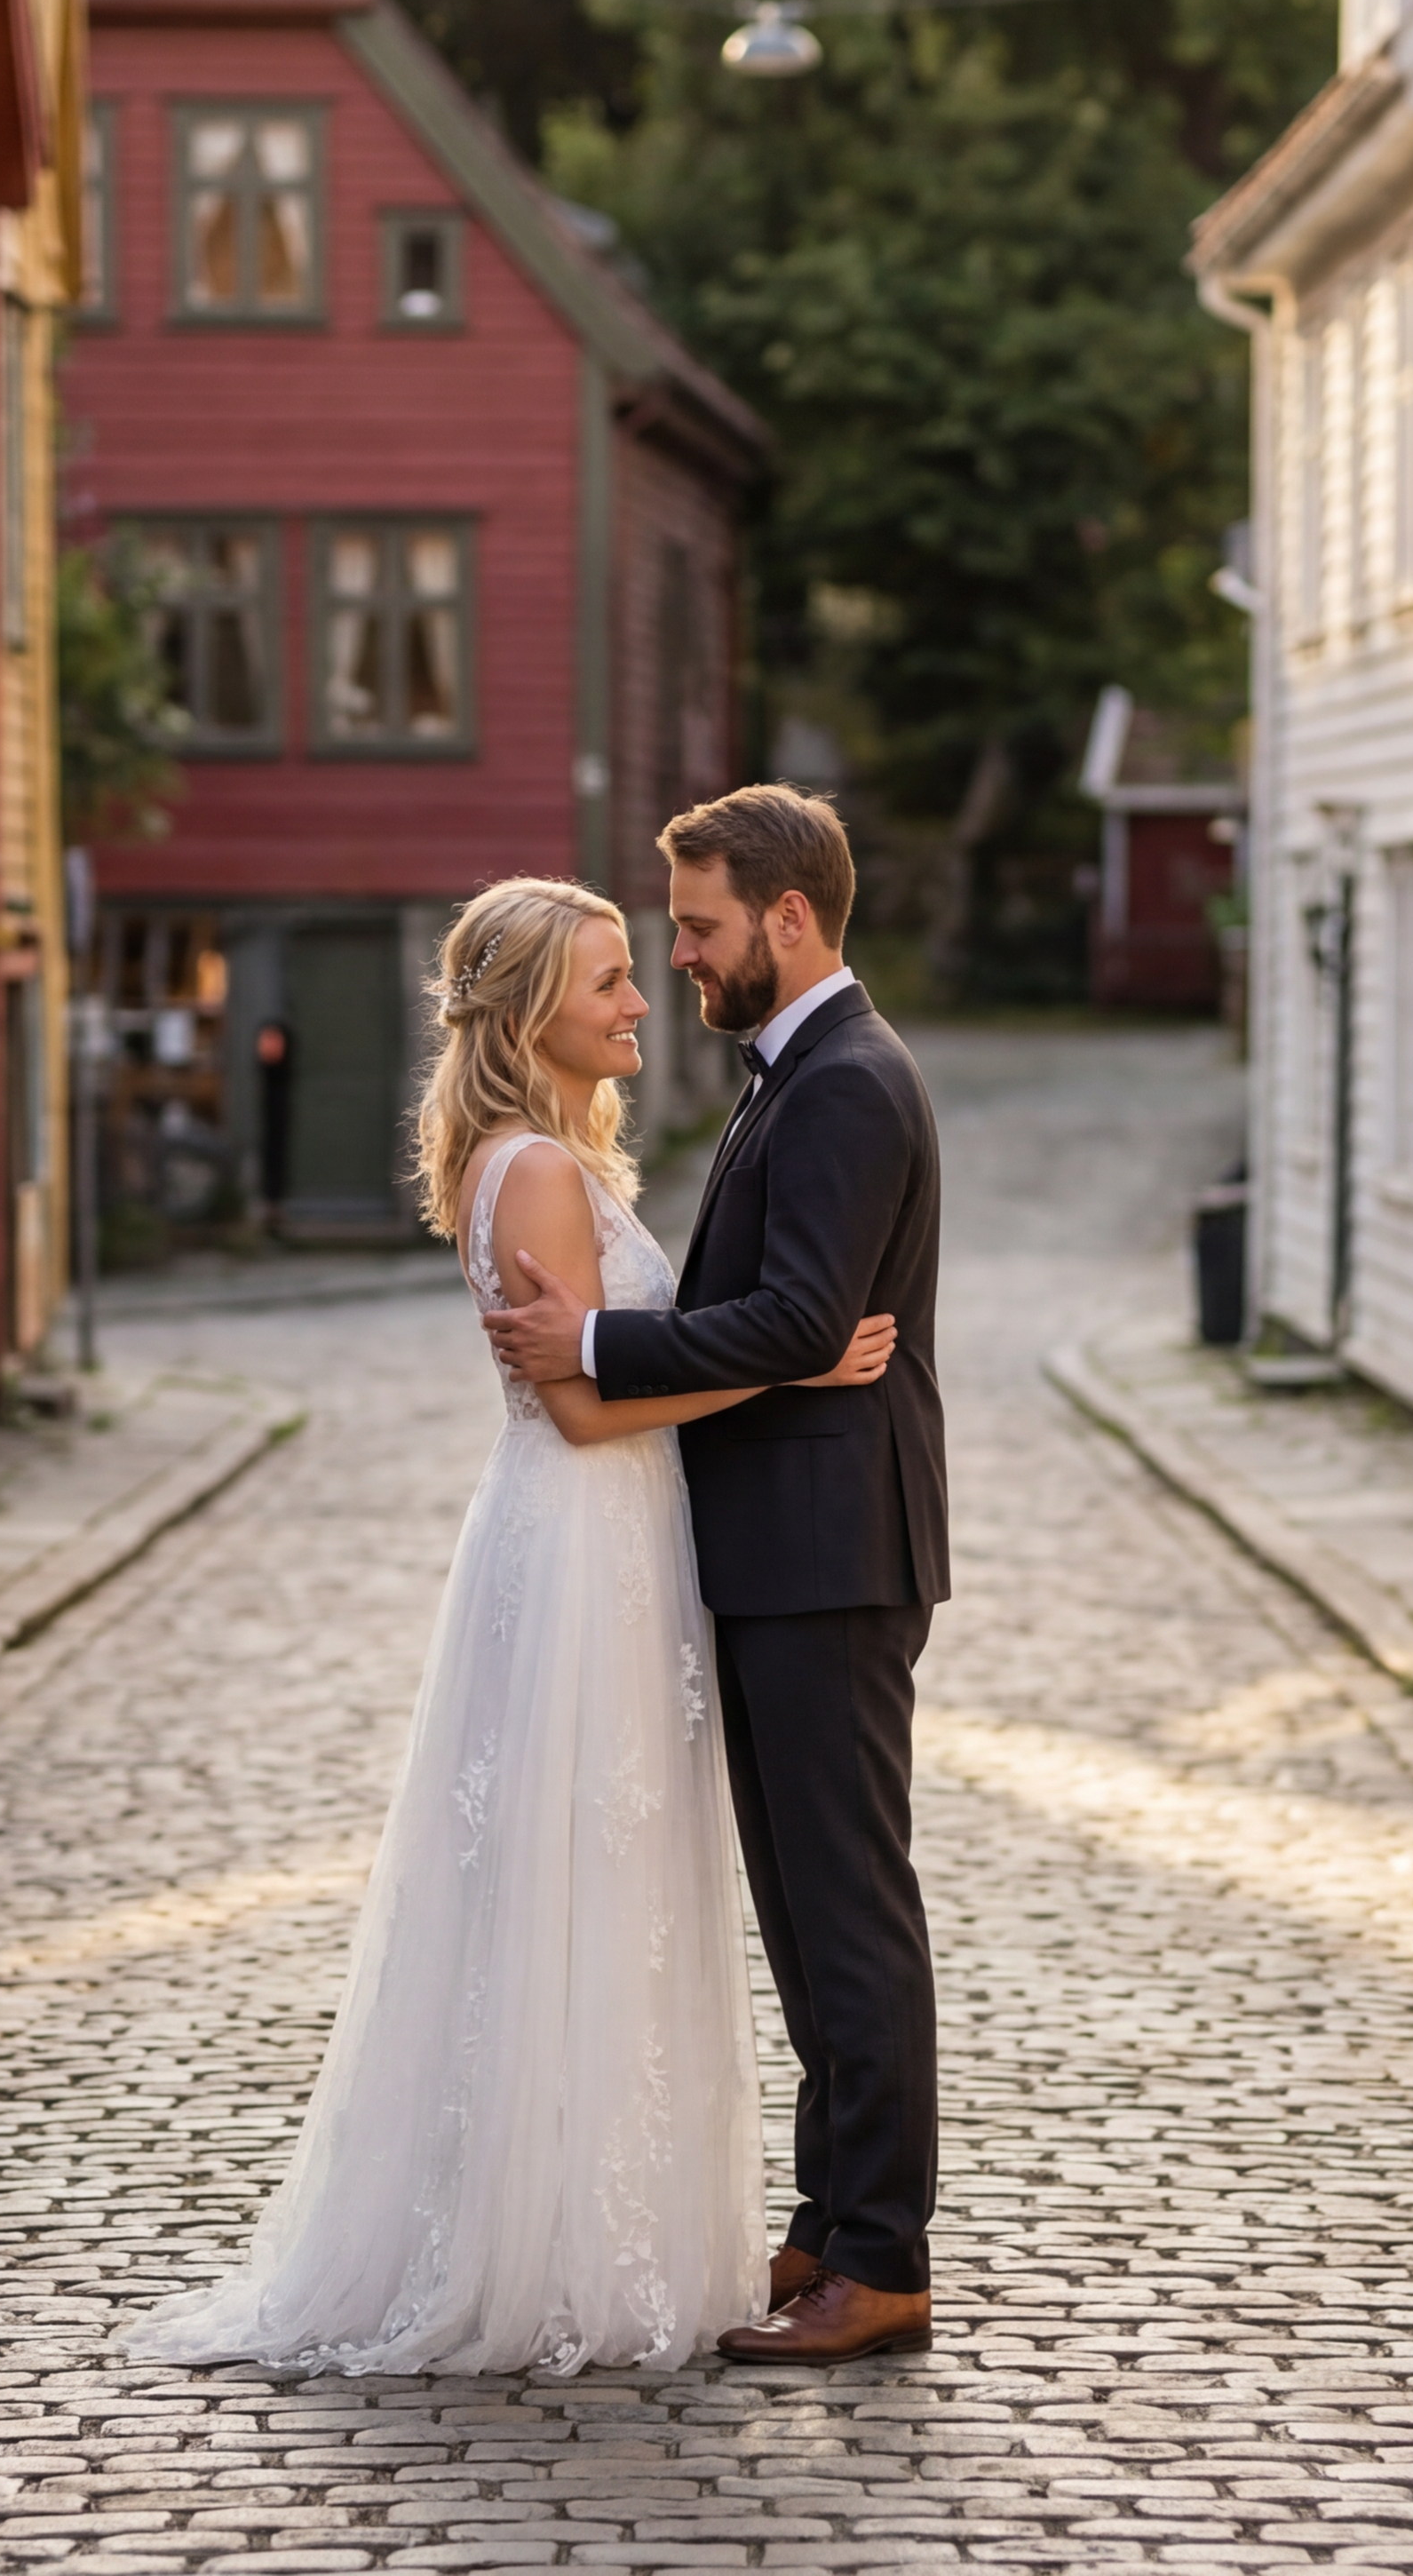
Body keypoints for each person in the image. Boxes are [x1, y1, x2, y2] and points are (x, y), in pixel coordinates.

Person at [123, 875, 897, 2375]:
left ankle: (598, 2211)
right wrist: (796, 1372)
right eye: (609, 978)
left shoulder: (545, 1154)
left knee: (601, 1873)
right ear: (533, 1006)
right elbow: (589, 1408)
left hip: (604, 1545)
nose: (638, 996)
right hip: (582, 1536)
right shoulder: (533, 1167)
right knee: (575, 1873)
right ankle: (542, 2241)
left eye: (637, 967)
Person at [483, 783, 949, 2366]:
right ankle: (829, 2227)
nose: (678, 955)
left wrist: (596, 1339)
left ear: (789, 919)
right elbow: (798, 1328)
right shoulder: (790, 1072)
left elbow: (805, 1319)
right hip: (777, 1551)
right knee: (806, 1918)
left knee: (849, 1908)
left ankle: (881, 2260)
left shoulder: (845, 1083)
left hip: (830, 1555)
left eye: (694, 926)